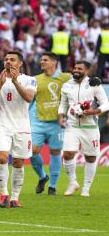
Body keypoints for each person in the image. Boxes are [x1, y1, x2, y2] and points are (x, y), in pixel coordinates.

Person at [0, 51, 36, 208]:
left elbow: (29, 97)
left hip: (22, 126)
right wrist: (1, 84)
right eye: (6, 59)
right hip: (2, 125)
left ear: (20, 63)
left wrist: (15, 82)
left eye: (12, 59)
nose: (8, 62)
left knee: (18, 162)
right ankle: (4, 194)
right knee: (2, 157)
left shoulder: (29, 80)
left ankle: (15, 197)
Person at [58, 61, 109, 197]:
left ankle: (86, 188)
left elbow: (106, 103)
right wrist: (61, 116)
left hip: (90, 126)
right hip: (72, 125)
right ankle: (72, 182)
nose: (76, 70)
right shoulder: (66, 85)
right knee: (68, 154)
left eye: (80, 68)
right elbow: (63, 104)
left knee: (91, 157)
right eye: (75, 68)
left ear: (86, 71)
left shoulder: (94, 84)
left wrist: (94, 111)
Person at [29, 52, 71, 195]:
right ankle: (42, 176)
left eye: (45, 60)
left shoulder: (66, 78)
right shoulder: (35, 80)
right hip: (38, 121)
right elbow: (30, 100)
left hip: (57, 123)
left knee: (55, 152)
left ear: (54, 62)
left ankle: (52, 186)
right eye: (41, 59)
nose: (42, 62)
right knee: (32, 151)